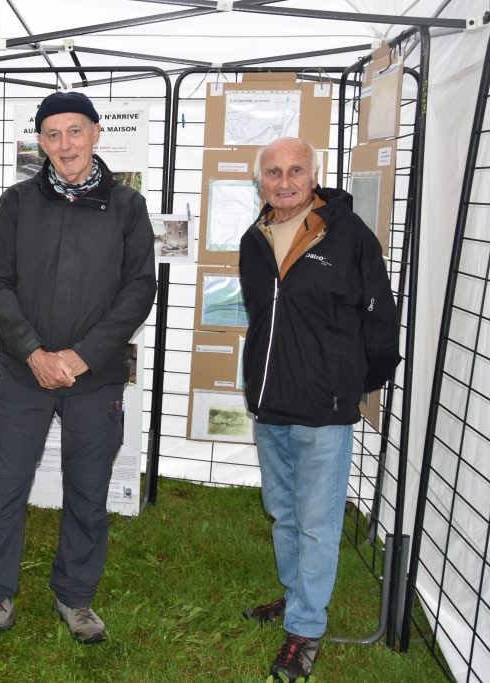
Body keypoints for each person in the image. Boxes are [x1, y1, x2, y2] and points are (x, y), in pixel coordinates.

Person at [0, 91, 157, 649]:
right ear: (39, 142)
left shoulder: (127, 206)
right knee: (4, 490)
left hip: (96, 378)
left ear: (95, 133)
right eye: (52, 134)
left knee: (88, 493)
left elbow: (140, 291)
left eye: (75, 131)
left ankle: (75, 597)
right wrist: (35, 353)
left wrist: (82, 356)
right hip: (24, 374)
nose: (65, 144)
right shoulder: (16, 203)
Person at [238, 137, 400, 682]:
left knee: (318, 523)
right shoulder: (253, 239)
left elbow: (381, 320)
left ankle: (306, 629)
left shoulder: (350, 236)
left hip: (324, 409)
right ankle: (296, 598)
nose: (285, 182)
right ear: (260, 180)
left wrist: (356, 381)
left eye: (296, 171)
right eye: (274, 172)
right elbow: (264, 317)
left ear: (315, 175)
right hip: (269, 404)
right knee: (284, 512)